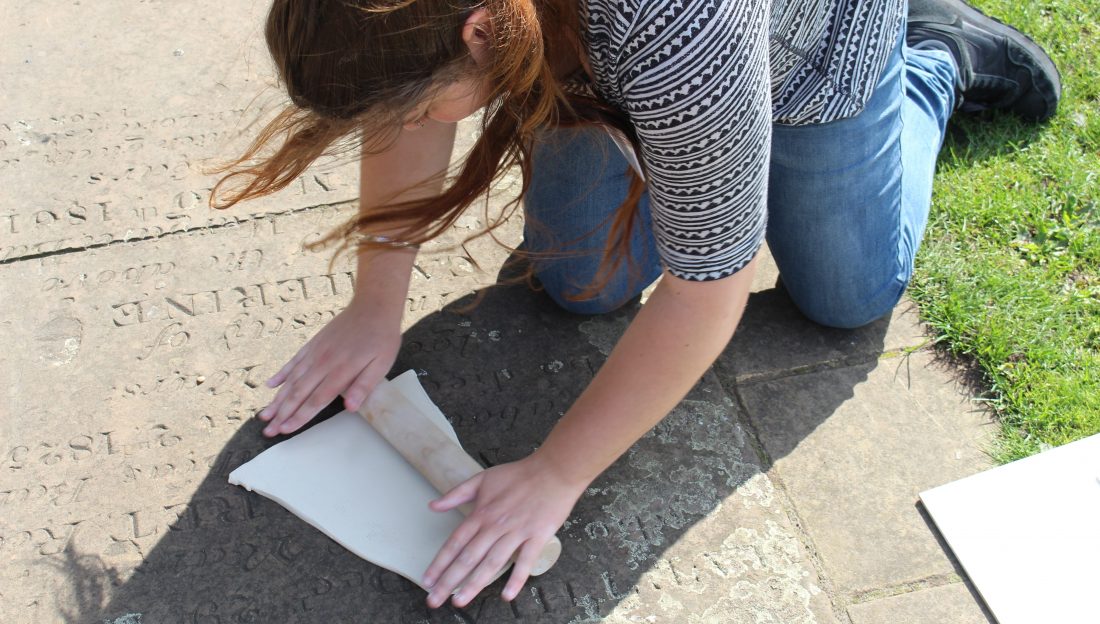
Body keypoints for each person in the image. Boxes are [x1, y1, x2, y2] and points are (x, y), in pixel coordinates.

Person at [211, 0, 1060, 610]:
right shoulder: (441, 17)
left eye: (422, 95)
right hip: (585, 49)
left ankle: (937, 56)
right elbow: (406, 113)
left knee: (848, 294)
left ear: (479, 29)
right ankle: (686, 143)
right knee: (580, 283)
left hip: (811, 46)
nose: (405, 119)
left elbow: (710, 288)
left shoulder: (683, 26)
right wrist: (373, 306)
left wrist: (557, 471)